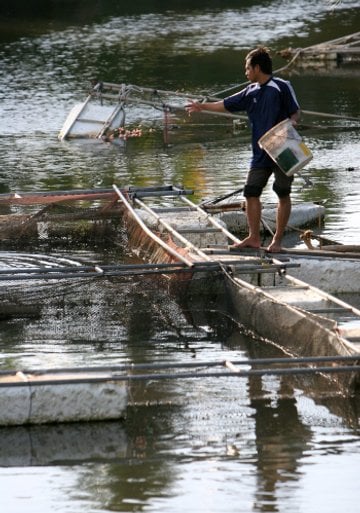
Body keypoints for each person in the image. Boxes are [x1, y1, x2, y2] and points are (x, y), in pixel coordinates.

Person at [186, 46, 301, 253]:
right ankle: (254, 238)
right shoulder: (250, 91)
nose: (246, 72)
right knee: (251, 192)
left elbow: (295, 113)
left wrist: (291, 123)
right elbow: (225, 104)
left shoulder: (282, 86)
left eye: (247, 68)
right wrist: (202, 107)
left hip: (283, 149)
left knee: (283, 193)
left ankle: (277, 241)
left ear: (257, 68)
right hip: (260, 152)